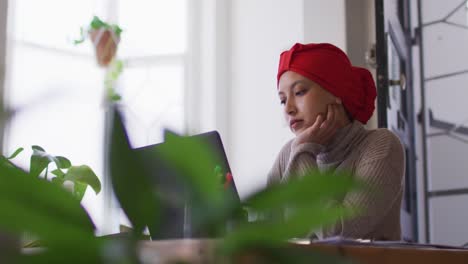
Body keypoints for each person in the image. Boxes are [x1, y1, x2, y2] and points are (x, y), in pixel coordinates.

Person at [267, 42, 405, 241]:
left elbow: (338, 232)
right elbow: (264, 229)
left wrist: (304, 152)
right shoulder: (290, 152)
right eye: (282, 100)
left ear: (336, 92)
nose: (288, 108)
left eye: (299, 92)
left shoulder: (381, 144)